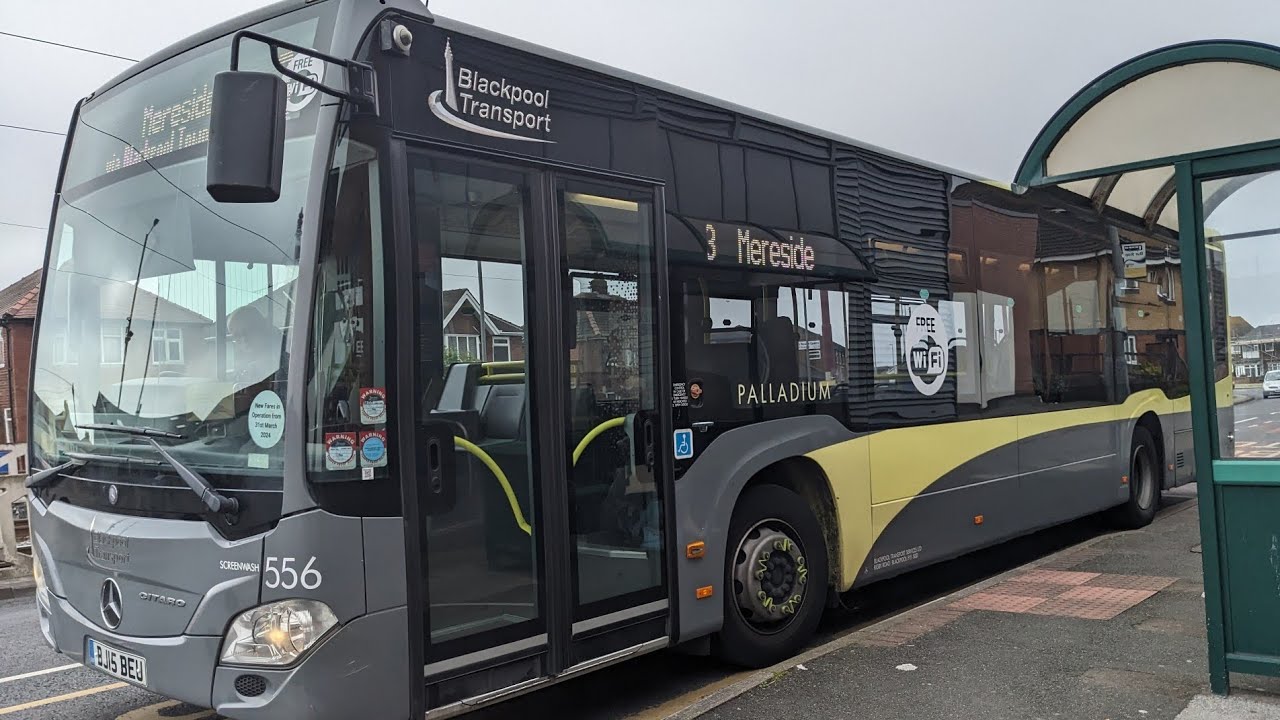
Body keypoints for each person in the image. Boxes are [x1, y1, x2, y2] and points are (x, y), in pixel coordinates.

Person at [227, 305, 285, 387]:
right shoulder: (243, 368)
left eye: (248, 330)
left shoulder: (290, 354)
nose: (244, 339)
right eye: (237, 335)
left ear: (263, 326)